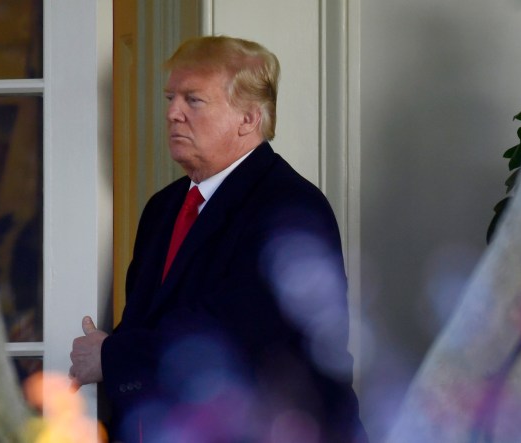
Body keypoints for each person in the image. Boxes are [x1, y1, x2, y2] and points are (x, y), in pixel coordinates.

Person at [70, 35, 367, 443]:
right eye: (170, 97)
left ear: (249, 118)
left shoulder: (291, 207)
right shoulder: (163, 208)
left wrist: (110, 356)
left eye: (194, 100)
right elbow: (152, 321)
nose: (173, 113)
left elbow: (240, 341)